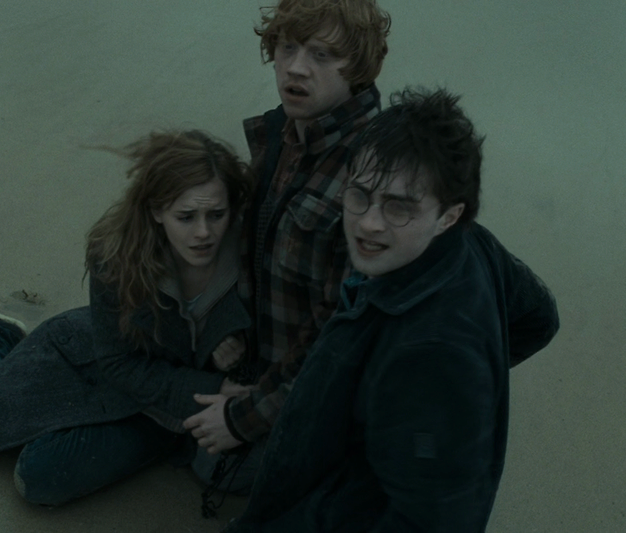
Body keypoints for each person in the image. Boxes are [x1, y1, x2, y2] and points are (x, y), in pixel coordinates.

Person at [223, 88, 560, 532]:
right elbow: (539, 317)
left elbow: (434, 523)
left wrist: (446, 387)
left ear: (448, 215)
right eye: (360, 194)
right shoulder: (467, 241)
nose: (368, 223)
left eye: (399, 207)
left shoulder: (431, 361)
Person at [0, 130, 258, 506]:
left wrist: (232, 344)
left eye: (216, 215)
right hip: (95, 357)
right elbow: (118, 361)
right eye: (185, 217)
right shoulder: (116, 256)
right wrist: (214, 382)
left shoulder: (251, 253)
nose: (203, 232)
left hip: (160, 410)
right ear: (156, 211)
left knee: (36, 478)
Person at [185, 0, 392, 455]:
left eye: (322, 54)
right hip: (247, 361)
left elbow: (341, 336)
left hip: (304, 396)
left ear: (357, 66)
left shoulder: (372, 175)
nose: (296, 68)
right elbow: (242, 253)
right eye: (288, 47)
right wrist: (222, 326)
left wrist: (246, 416)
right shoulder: (281, 132)